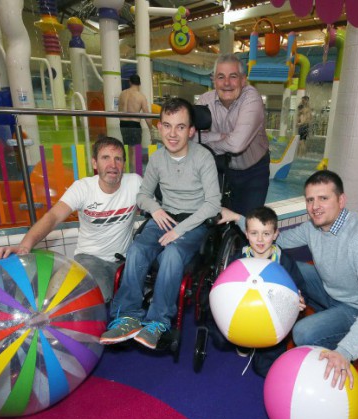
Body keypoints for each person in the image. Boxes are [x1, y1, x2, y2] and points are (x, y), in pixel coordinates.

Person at [220, 170, 358, 389]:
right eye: (310, 200)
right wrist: (239, 219)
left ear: (341, 200)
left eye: (324, 198)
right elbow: (275, 239)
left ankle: (338, 328)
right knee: (293, 269)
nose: (315, 206)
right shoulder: (314, 227)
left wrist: (345, 351)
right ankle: (322, 314)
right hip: (334, 290)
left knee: (303, 332)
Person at [100, 97, 221, 350]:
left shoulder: (203, 158)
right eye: (167, 126)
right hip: (164, 216)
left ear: (191, 131)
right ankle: (127, 317)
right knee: (137, 250)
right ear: (159, 127)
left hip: (193, 221)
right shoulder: (157, 158)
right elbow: (143, 195)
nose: (172, 134)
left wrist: (179, 229)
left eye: (180, 127)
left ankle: (158, 322)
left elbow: (212, 205)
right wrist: (155, 209)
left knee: (172, 254)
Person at [0, 136, 142, 303]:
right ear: (94, 163)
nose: (112, 165)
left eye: (118, 159)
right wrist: (24, 246)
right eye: (105, 158)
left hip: (125, 260)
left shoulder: (134, 183)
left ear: (123, 164)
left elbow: (157, 207)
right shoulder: (83, 188)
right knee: (100, 300)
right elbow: (53, 217)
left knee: (134, 301)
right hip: (91, 258)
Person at [213, 206, 307, 371]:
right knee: (219, 338)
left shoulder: (283, 260)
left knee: (265, 368)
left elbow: (298, 285)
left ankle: (258, 345)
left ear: (276, 234)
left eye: (266, 233)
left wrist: (299, 298)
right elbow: (225, 286)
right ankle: (244, 343)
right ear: (246, 234)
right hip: (244, 311)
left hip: (273, 315)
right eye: (254, 233)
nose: (260, 239)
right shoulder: (240, 258)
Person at [196, 53, 270, 216]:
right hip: (221, 169)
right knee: (215, 220)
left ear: (243, 80)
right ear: (213, 80)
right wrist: (221, 137)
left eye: (233, 76)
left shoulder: (252, 98)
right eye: (221, 77)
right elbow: (191, 138)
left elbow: (236, 145)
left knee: (248, 223)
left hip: (253, 171)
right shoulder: (204, 101)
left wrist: (208, 140)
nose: (227, 83)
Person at [118, 74, 153, 146]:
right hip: (134, 124)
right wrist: (151, 130)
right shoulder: (141, 96)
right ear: (139, 84)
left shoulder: (122, 94)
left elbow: (119, 110)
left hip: (123, 124)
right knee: (137, 148)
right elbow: (147, 115)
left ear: (130, 82)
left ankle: (129, 158)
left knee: (127, 147)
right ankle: (138, 158)